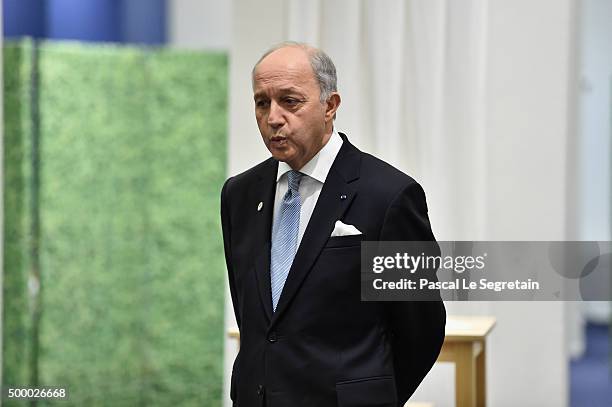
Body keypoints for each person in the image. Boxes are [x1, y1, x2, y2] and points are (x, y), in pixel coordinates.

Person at [220, 42, 446, 407]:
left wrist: (367, 396)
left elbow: (422, 328)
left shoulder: (389, 196)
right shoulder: (240, 195)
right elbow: (257, 318)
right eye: (262, 103)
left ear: (330, 106)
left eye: (290, 101)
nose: (273, 117)